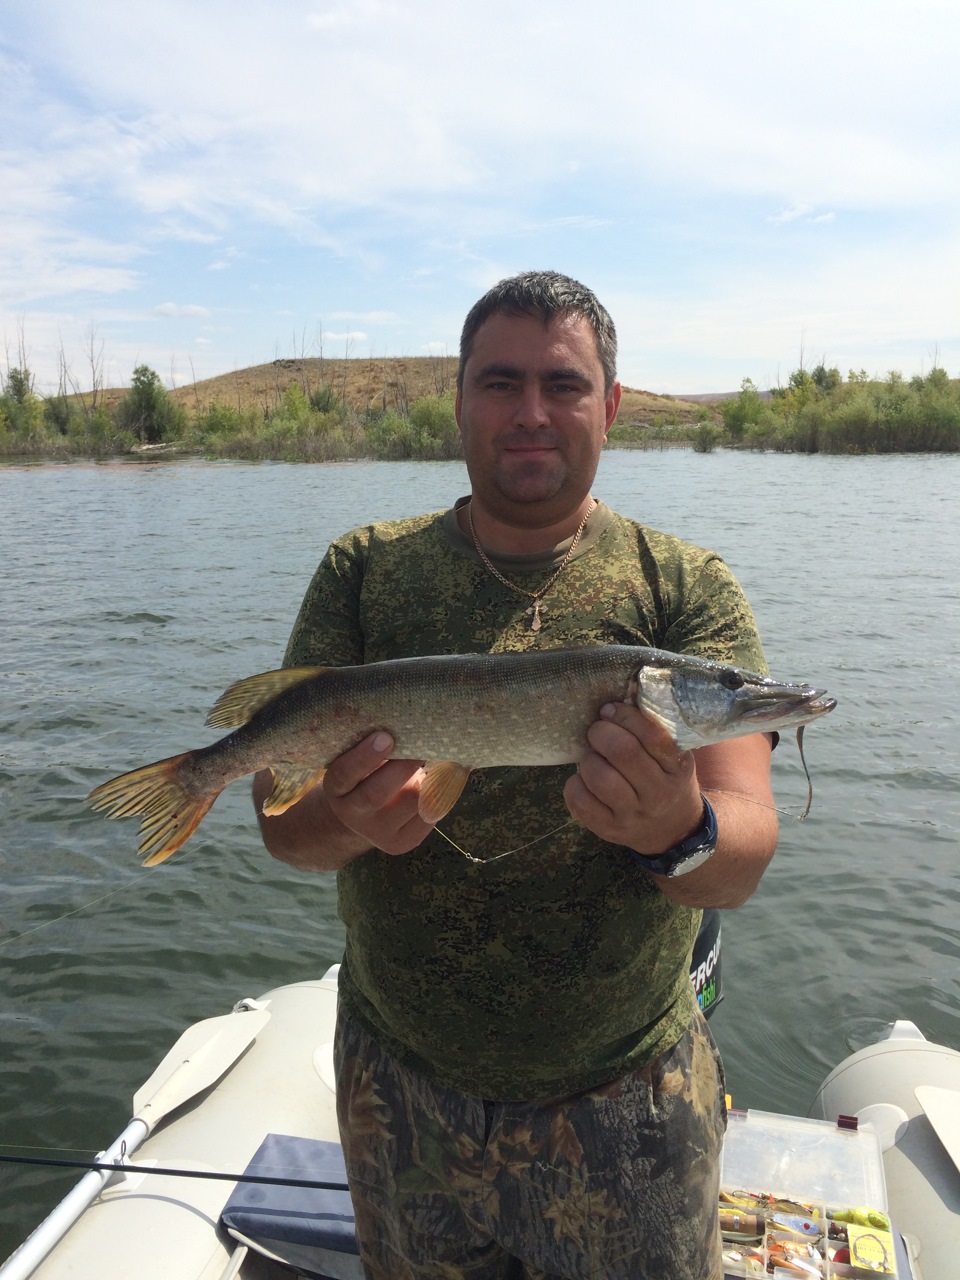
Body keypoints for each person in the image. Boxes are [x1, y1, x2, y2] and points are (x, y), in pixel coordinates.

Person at [254, 271, 778, 1280]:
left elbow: (744, 851)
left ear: (610, 405)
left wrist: (679, 825)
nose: (531, 411)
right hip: (396, 1093)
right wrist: (348, 817)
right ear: (458, 398)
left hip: (628, 1099)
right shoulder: (363, 571)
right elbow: (284, 827)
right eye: (500, 382)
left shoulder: (685, 587)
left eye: (564, 384)